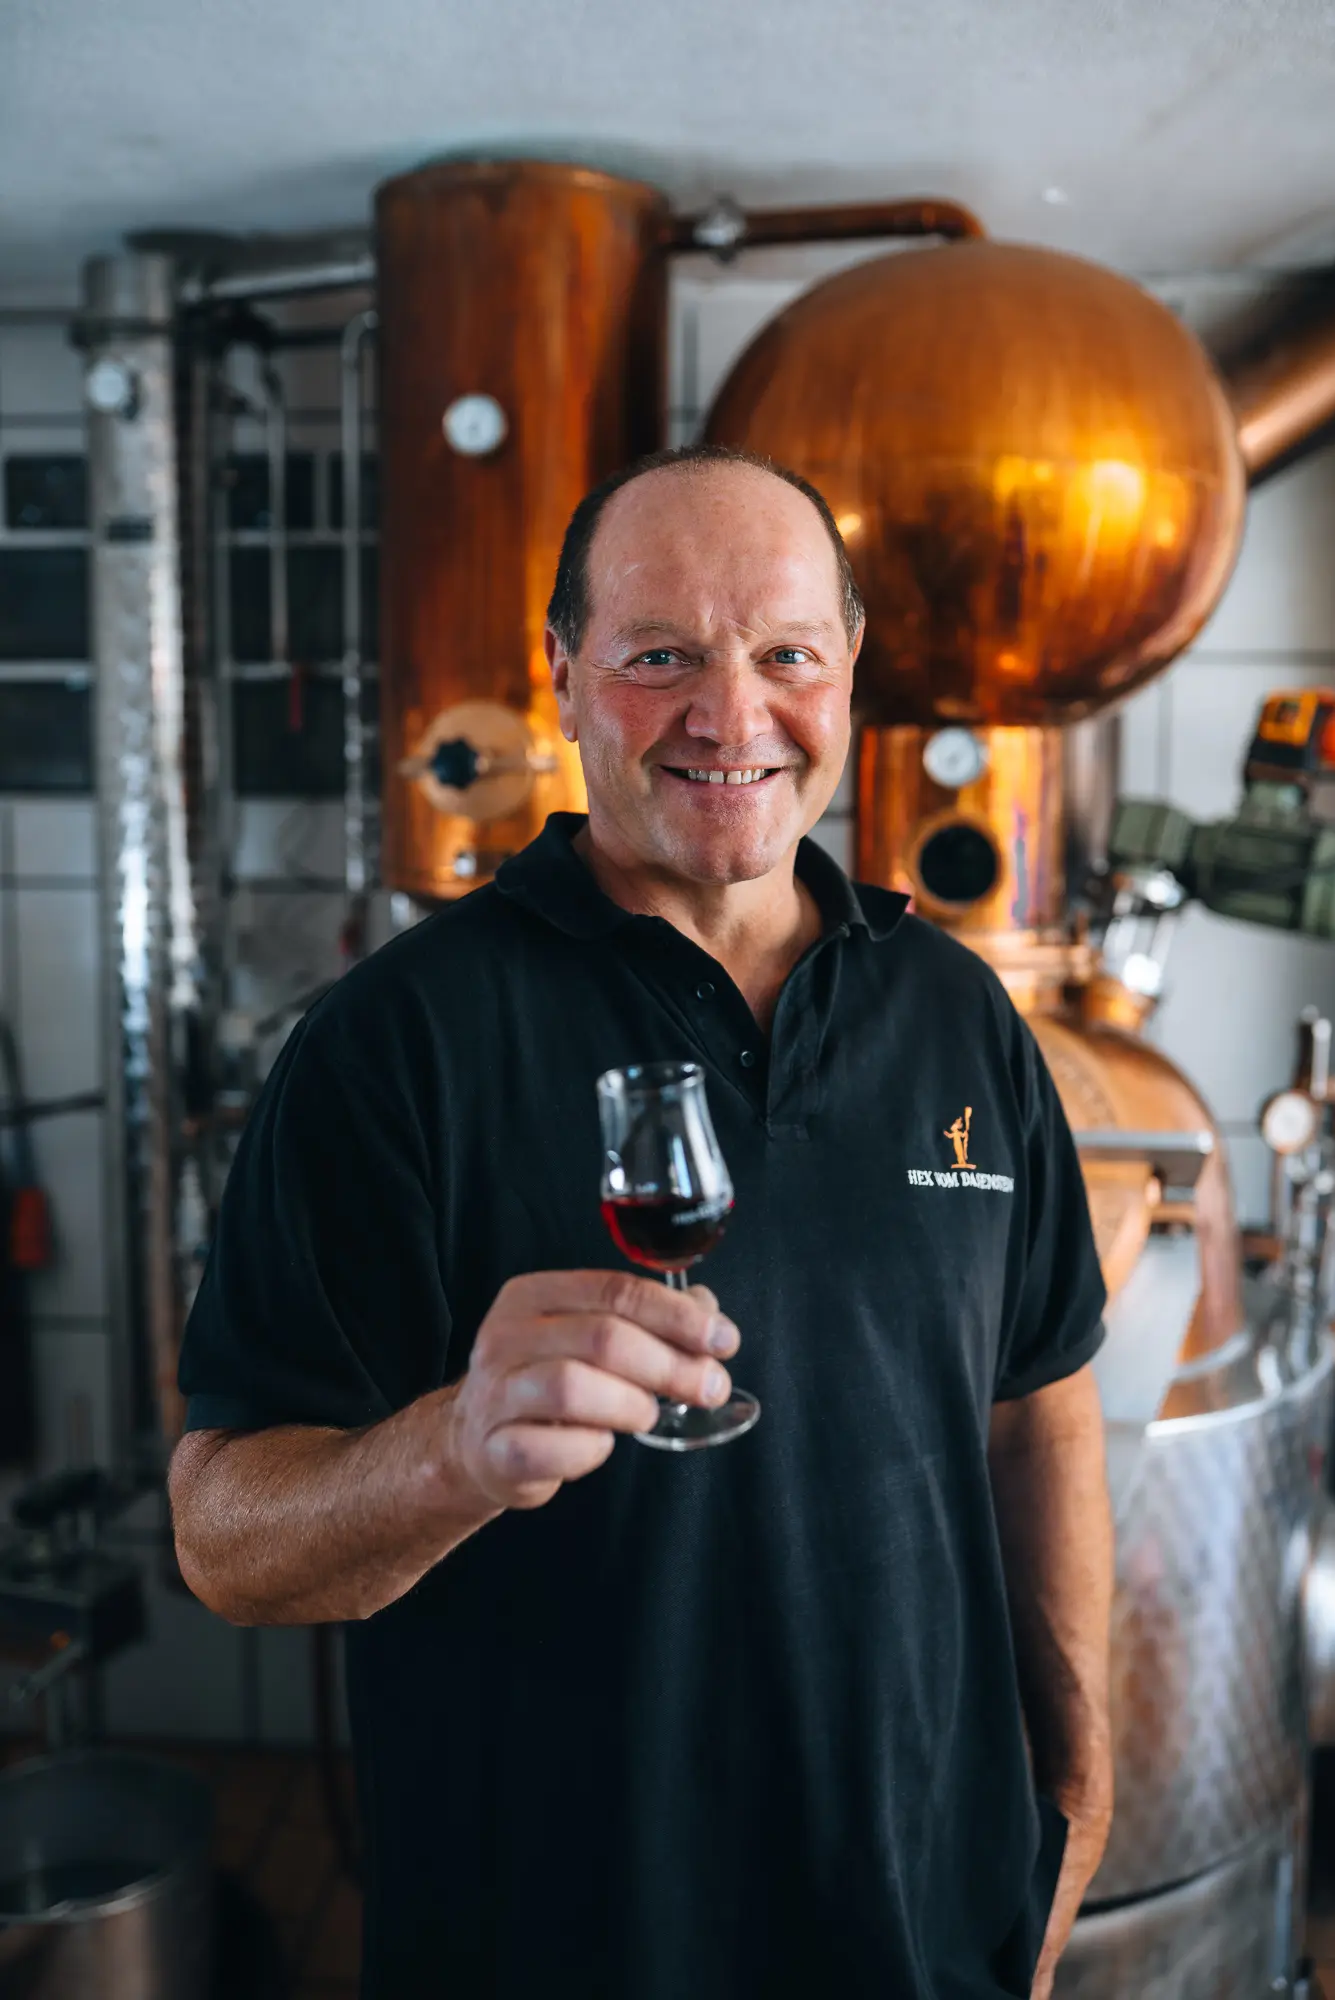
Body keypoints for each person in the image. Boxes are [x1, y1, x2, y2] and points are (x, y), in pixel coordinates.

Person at [170, 444, 1113, 2000]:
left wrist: (1071, 1805)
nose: (730, 717)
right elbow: (223, 1538)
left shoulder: (955, 1015)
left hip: (928, 1926)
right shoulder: (394, 1040)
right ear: (560, 677)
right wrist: (451, 1453)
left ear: (849, 672)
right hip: (562, 1940)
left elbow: (1038, 1418)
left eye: (785, 654)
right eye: (659, 655)